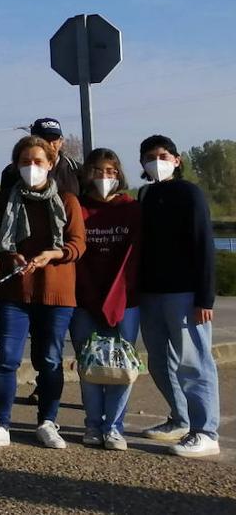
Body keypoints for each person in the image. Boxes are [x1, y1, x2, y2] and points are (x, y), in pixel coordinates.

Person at [0, 135, 85, 451]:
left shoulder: (67, 200)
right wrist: (12, 256)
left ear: (51, 164)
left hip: (56, 293)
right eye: (25, 162)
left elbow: (78, 244)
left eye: (38, 162)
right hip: (14, 292)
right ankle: (0, 423)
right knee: (6, 359)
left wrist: (53, 254)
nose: (32, 167)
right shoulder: (3, 200)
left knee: (50, 360)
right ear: (16, 165)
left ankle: (47, 422)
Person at [137, 134, 220, 458]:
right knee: (159, 362)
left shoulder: (190, 193)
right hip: (150, 294)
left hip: (185, 295)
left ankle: (206, 431)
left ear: (176, 159)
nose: (156, 161)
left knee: (194, 363)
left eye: (162, 155)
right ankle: (180, 418)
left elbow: (204, 245)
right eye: (149, 157)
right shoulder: (145, 194)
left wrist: (205, 298)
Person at [70, 148, 140, 451]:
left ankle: (114, 426)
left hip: (125, 300)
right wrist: (92, 297)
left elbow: (133, 258)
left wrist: (114, 299)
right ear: (88, 174)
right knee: (90, 366)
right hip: (85, 301)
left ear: (119, 174)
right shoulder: (77, 208)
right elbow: (76, 256)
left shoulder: (133, 209)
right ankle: (93, 425)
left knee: (121, 366)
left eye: (110, 171)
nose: (104, 177)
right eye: (98, 171)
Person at [0, 118, 81, 196]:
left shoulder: (76, 170)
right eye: (43, 140)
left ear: (61, 142)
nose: (50, 145)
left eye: (54, 140)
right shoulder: (12, 171)